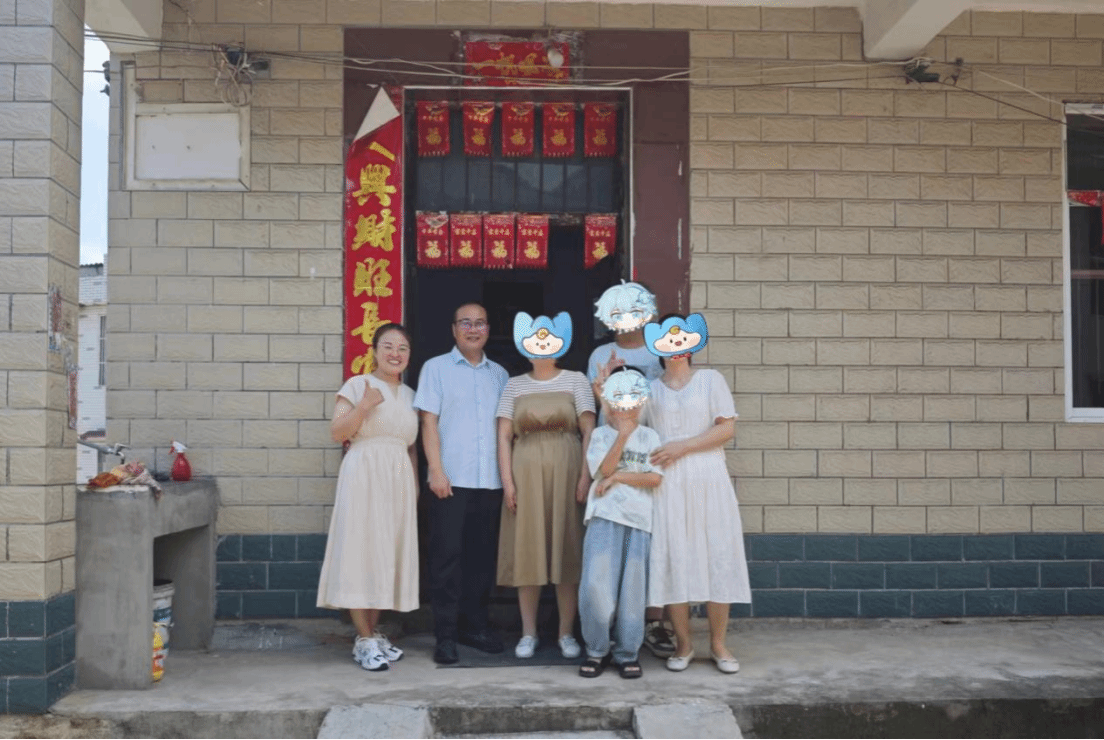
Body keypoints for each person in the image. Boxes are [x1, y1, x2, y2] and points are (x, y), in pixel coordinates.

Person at [642, 313, 751, 674]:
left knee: (717, 553)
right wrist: (603, 392)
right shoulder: (650, 389)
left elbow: (726, 430)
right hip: (667, 483)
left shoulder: (710, 380)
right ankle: (684, 644)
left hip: (709, 479)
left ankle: (718, 644)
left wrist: (683, 446)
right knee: (675, 557)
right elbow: (631, 428)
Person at [316, 323, 419, 672]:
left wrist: (414, 484)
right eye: (388, 346)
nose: (395, 353)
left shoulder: (411, 395)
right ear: (374, 351)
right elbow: (337, 432)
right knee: (362, 551)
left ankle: (373, 633)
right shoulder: (358, 385)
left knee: (386, 554)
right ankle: (363, 639)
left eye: (402, 348)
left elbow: (410, 445)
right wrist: (363, 407)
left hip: (398, 477)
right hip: (364, 474)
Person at [497, 311, 596, 659]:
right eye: (535, 340)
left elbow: (589, 431)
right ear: (523, 344)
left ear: (562, 343)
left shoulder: (576, 380)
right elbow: (503, 435)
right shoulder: (513, 385)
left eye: (550, 339)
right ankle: (528, 633)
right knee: (528, 550)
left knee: (568, 549)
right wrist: (507, 482)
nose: (543, 347)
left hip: (568, 470)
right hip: (525, 472)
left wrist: (585, 476)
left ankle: (566, 632)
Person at [414, 303, 509, 665]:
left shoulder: (500, 374)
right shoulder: (435, 368)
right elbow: (428, 422)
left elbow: (505, 430)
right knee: (446, 560)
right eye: (465, 323)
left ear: (488, 329)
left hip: (490, 482)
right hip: (450, 482)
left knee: (481, 560)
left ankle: (475, 627)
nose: (473, 329)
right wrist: (435, 471)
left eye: (480, 323)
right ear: (454, 329)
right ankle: (446, 635)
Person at [587, 281, 674, 660]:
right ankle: (602, 633)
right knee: (605, 562)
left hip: (652, 449)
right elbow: (601, 406)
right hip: (614, 450)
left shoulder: (658, 350)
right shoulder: (600, 354)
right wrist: (603, 386)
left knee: (649, 550)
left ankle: (650, 624)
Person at [578, 368, 663, 680]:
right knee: (596, 587)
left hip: (638, 521)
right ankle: (596, 649)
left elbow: (654, 478)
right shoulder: (601, 435)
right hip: (604, 517)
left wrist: (619, 478)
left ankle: (627, 653)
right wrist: (623, 435)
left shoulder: (651, 437)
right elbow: (602, 470)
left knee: (632, 592)